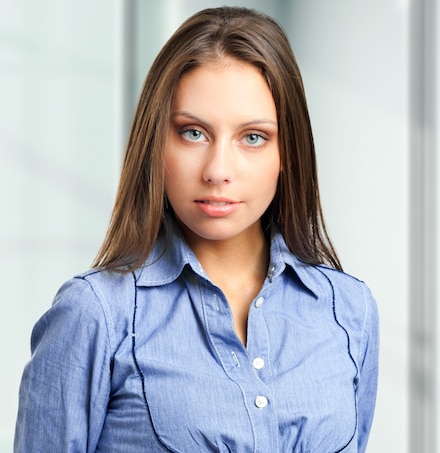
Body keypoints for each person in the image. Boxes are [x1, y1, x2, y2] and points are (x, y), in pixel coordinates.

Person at [14, 6, 379, 452]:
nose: (218, 170)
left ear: (288, 152)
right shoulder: (95, 315)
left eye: (253, 137)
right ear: (156, 142)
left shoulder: (348, 312)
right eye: (193, 133)